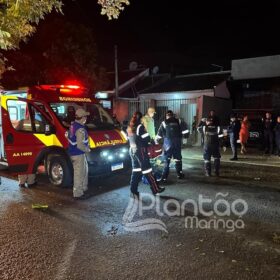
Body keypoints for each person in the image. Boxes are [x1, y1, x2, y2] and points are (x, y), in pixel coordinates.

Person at [127, 111, 165, 199]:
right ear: (141, 119)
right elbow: (147, 138)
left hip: (132, 151)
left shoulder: (130, 127)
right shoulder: (140, 127)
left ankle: (133, 191)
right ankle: (156, 189)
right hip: (141, 151)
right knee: (148, 170)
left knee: (136, 171)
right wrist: (151, 141)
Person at [156, 110, 188, 182]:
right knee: (178, 159)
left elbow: (159, 134)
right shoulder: (179, 121)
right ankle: (179, 174)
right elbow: (185, 130)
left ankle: (164, 177)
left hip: (168, 143)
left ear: (167, 116)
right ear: (173, 115)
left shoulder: (164, 122)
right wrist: (185, 138)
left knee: (167, 160)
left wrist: (156, 141)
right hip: (177, 142)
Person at [67, 108, 91, 199]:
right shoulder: (80, 129)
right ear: (82, 118)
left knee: (83, 171)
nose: (86, 118)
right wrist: (87, 150)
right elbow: (80, 145)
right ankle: (78, 194)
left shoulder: (73, 125)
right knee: (79, 174)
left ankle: (83, 188)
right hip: (78, 153)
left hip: (75, 153)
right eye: (85, 116)